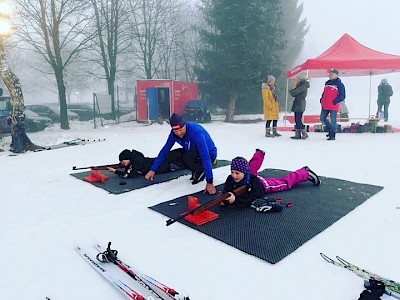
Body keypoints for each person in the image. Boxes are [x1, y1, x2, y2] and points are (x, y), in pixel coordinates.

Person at [145, 113, 217, 195]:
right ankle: (196, 168)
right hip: (192, 152)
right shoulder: (173, 134)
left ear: (184, 125)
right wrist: (153, 169)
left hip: (209, 154)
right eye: (176, 131)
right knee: (171, 155)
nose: (179, 133)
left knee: (187, 157)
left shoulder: (196, 133)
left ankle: (200, 170)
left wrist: (210, 182)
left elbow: (205, 156)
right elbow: (165, 150)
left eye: (180, 130)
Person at [221, 150, 320, 209]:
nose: (234, 175)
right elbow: (227, 189)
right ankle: (259, 154)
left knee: (284, 183)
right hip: (249, 178)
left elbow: (255, 196)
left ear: (243, 172)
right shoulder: (232, 178)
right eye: (232, 172)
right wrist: (224, 198)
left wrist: (235, 200)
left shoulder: (254, 181)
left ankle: (305, 173)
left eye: (237, 173)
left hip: (263, 185)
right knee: (251, 169)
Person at [106, 149, 173, 178]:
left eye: (123, 161)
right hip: (157, 162)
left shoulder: (136, 161)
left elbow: (128, 175)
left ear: (128, 158)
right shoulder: (133, 159)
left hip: (163, 166)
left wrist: (115, 171)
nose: (122, 163)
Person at [320, 68, 346, 141]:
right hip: (325, 105)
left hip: (333, 105)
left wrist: (335, 101)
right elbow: (324, 93)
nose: (330, 75)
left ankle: (332, 134)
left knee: (333, 120)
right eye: (330, 73)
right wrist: (321, 99)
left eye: (332, 73)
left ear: (336, 75)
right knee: (322, 118)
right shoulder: (327, 83)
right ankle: (331, 129)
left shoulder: (340, 85)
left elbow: (342, 96)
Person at [289, 71, 310, 139]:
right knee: (297, 119)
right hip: (298, 103)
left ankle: (304, 133)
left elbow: (294, 93)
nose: (296, 79)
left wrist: (291, 90)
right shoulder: (301, 85)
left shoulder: (303, 86)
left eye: (298, 78)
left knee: (298, 120)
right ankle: (297, 134)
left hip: (300, 104)